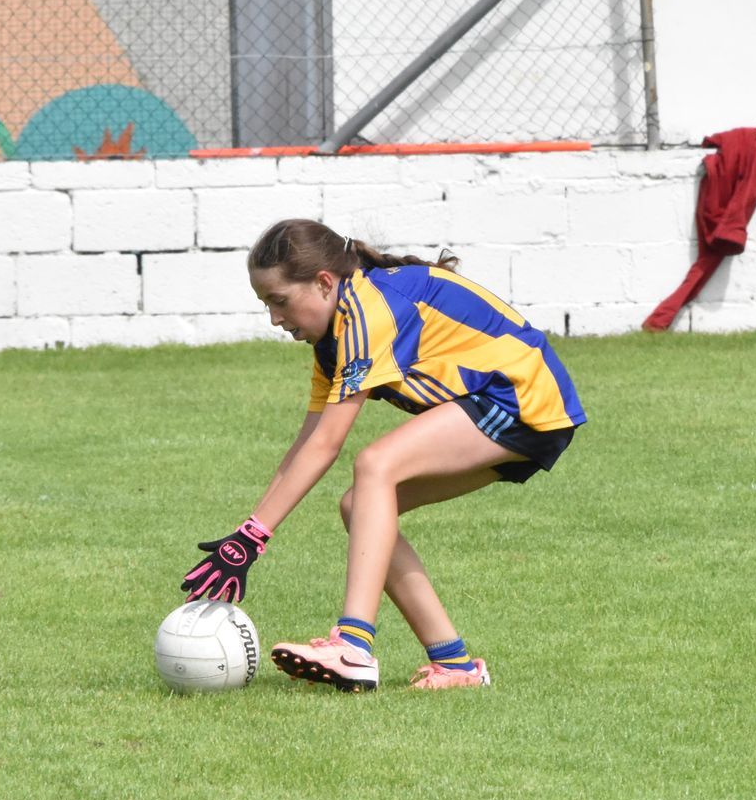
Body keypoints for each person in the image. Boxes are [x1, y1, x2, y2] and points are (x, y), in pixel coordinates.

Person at [180, 219, 587, 691]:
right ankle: (455, 666)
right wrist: (247, 535)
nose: (274, 318)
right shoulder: (333, 340)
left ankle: (352, 646)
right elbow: (307, 447)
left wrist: (254, 539)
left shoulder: (367, 310)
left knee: (377, 464)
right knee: (359, 506)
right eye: (265, 304)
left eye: (280, 300)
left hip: (522, 397)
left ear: (324, 282)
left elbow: (328, 444)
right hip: (516, 406)